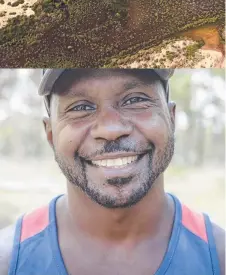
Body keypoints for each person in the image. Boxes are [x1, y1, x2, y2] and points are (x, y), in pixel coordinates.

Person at [0, 68, 225, 275]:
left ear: (171, 118)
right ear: (51, 134)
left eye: (136, 100)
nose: (111, 129)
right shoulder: (9, 261)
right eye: (80, 107)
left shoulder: (219, 257)